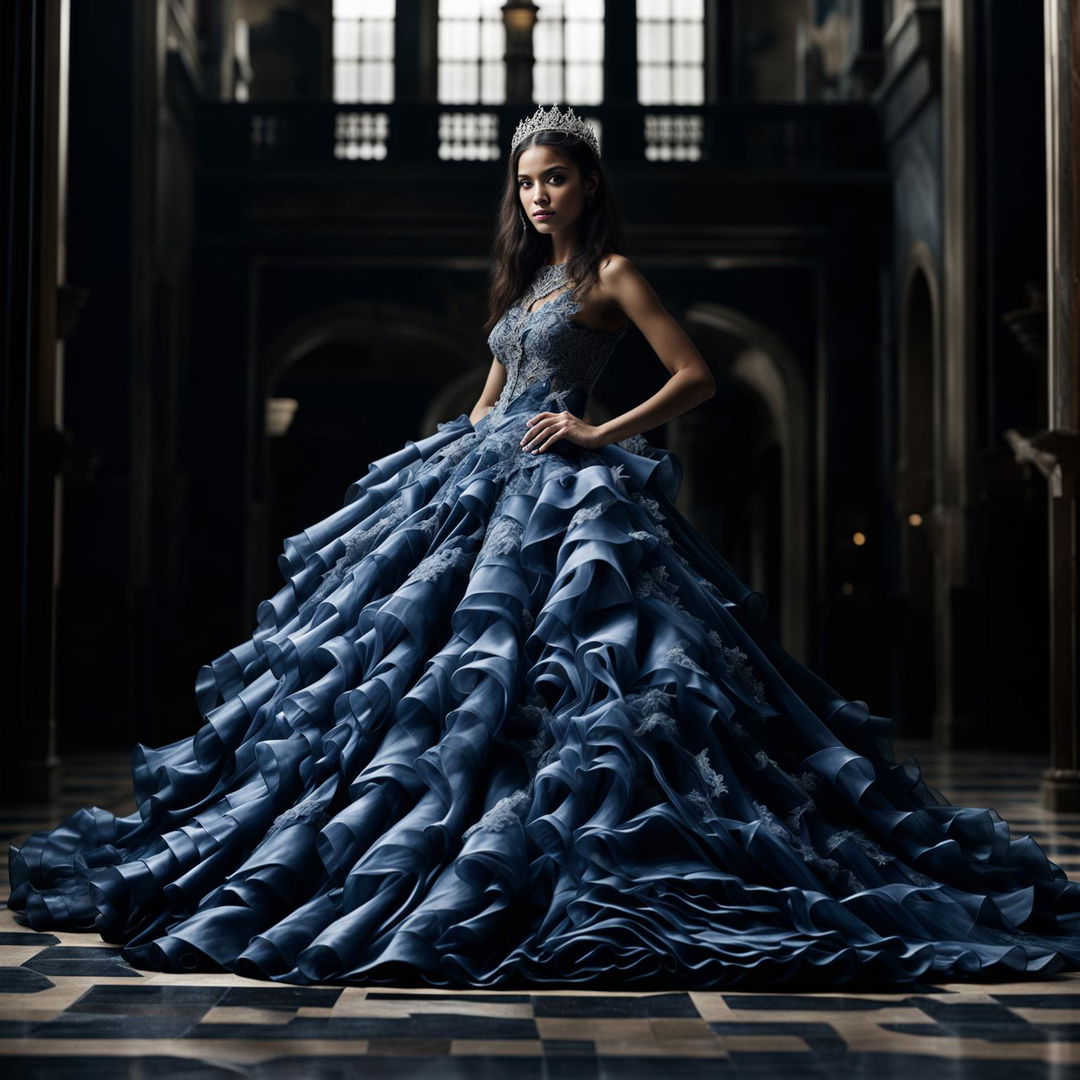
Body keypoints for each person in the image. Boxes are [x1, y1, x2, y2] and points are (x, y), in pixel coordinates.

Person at [8, 104, 1080, 990]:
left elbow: (695, 376)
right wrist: (458, 447)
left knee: (581, 668)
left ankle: (555, 840)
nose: (538, 196)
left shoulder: (613, 274)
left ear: (589, 185)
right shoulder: (523, 286)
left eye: (556, 179)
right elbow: (492, 391)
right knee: (418, 667)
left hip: (571, 492)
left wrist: (594, 430)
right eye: (527, 182)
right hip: (482, 481)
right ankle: (431, 829)